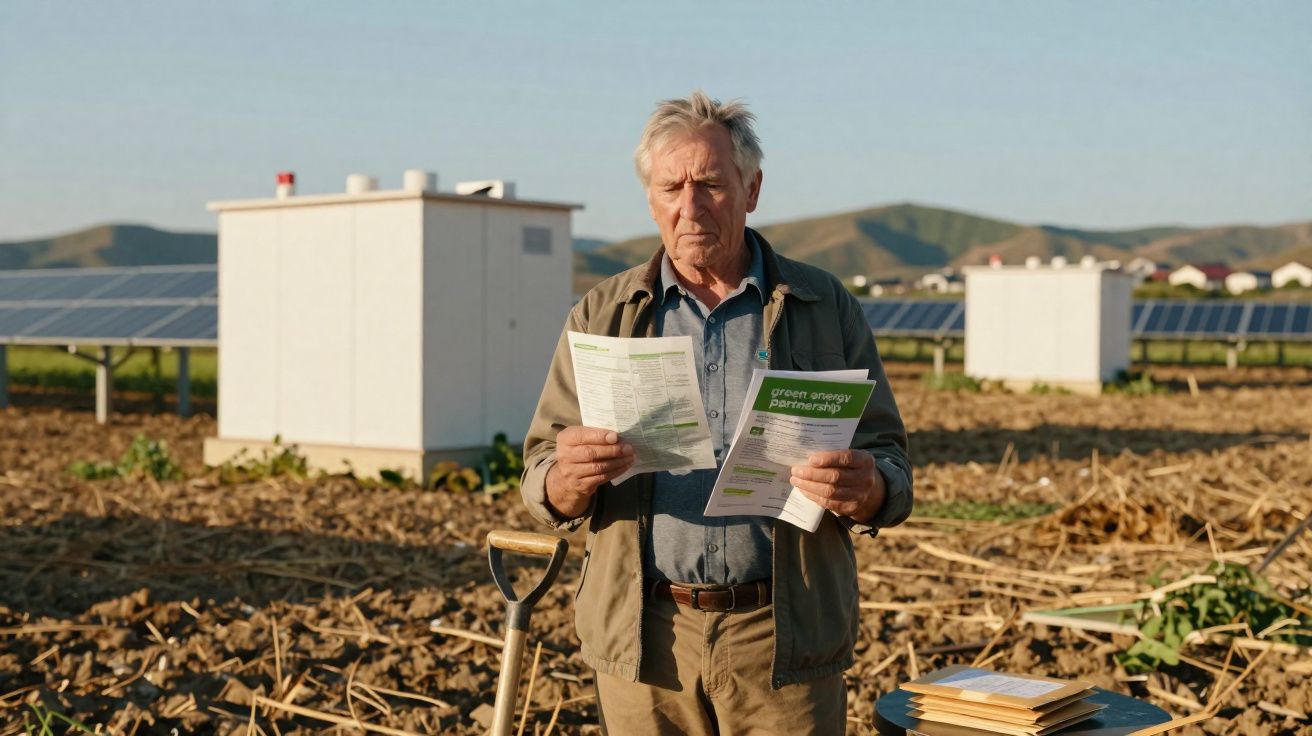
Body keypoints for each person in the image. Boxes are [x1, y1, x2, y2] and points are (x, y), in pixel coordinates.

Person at [521, 90, 912, 735]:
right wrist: (565, 481)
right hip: (646, 641)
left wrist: (868, 488)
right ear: (650, 199)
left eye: (711, 183)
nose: (691, 206)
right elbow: (540, 469)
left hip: (783, 639)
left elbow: (891, 462)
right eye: (671, 186)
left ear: (752, 189)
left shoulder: (822, 305)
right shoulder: (604, 314)